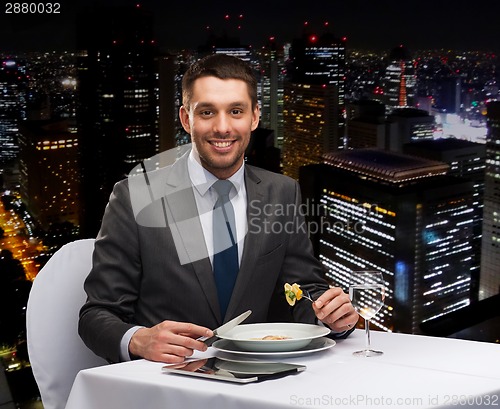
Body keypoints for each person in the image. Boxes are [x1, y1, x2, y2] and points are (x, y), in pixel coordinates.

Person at [79, 54, 358, 364]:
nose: (223, 127)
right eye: (208, 112)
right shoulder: (135, 196)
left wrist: (332, 317)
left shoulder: (283, 191)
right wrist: (137, 340)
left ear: (254, 117)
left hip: (259, 382)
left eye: (236, 111)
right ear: (187, 120)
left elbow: (305, 290)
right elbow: (96, 315)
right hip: (167, 386)